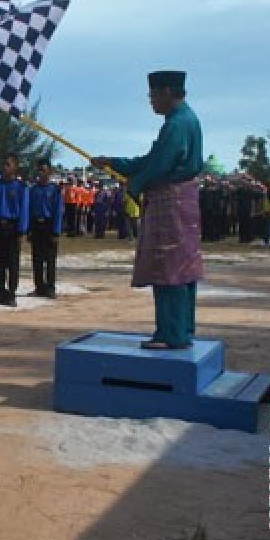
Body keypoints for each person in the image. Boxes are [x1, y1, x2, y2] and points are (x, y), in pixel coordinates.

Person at [93, 70, 203, 350]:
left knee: (169, 267)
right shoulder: (183, 120)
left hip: (171, 201)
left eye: (152, 95)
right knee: (182, 267)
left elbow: (160, 165)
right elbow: (152, 158)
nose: (151, 102)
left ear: (167, 92)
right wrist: (114, 162)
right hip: (181, 201)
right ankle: (181, 329)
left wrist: (135, 185)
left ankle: (171, 333)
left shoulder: (177, 124)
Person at [0, 153, 28, 306]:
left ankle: (11, 293)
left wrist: (21, 231)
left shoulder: (20, 187)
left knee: (12, 263)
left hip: (12, 227)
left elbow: (24, 209)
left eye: (8, 164)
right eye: (3, 164)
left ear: (15, 167)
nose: (5, 167)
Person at [28, 158, 64, 298]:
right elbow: (30, 210)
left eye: (43, 170)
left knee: (49, 259)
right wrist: (29, 229)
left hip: (49, 225)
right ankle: (39, 287)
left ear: (49, 171)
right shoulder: (34, 189)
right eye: (39, 170)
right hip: (37, 225)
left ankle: (50, 287)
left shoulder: (54, 190)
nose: (41, 173)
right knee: (37, 259)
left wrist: (56, 231)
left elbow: (57, 212)